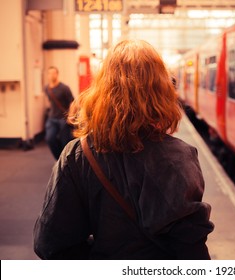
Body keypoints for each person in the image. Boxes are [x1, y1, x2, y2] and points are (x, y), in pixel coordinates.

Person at [33, 39, 214, 260]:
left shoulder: (76, 155)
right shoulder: (180, 158)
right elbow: (191, 249)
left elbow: (49, 244)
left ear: (102, 90)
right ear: (162, 91)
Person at [44, 66, 74, 159]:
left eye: (53, 73)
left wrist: (71, 115)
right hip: (52, 118)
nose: (51, 75)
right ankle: (59, 159)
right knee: (50, 138)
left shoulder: (64, 88)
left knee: (65, 141)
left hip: (63, 118)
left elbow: (72, 102)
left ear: (57, 74)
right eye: (49, 73)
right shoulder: (47, 88)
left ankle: (66, 160)